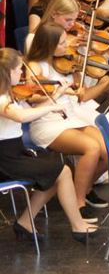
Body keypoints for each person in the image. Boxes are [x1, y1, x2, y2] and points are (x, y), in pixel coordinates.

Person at [25, 22, 109, 221]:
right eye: (62, 42)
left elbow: (85, 96)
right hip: (46, 121)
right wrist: (59, 91)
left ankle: (84, 187)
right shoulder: (35, 66)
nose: (68, 45)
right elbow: (31, 98)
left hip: (70, 118)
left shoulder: (68, 63)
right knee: (92, 147)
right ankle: (78, 202)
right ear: (49, 44)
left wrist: (108, 81)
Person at [0, 48, 99, 244]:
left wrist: (59, 93)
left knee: (57, 173)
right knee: (60, 171)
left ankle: (26, 221)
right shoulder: (2, 99)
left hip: (15, 152)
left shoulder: (9, 94)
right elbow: (20, 116)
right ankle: (78, 226)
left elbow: (31, 109)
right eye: (19, 69)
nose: (22, 74)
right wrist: (53, 106)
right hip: (5, 158)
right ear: (8, 72)